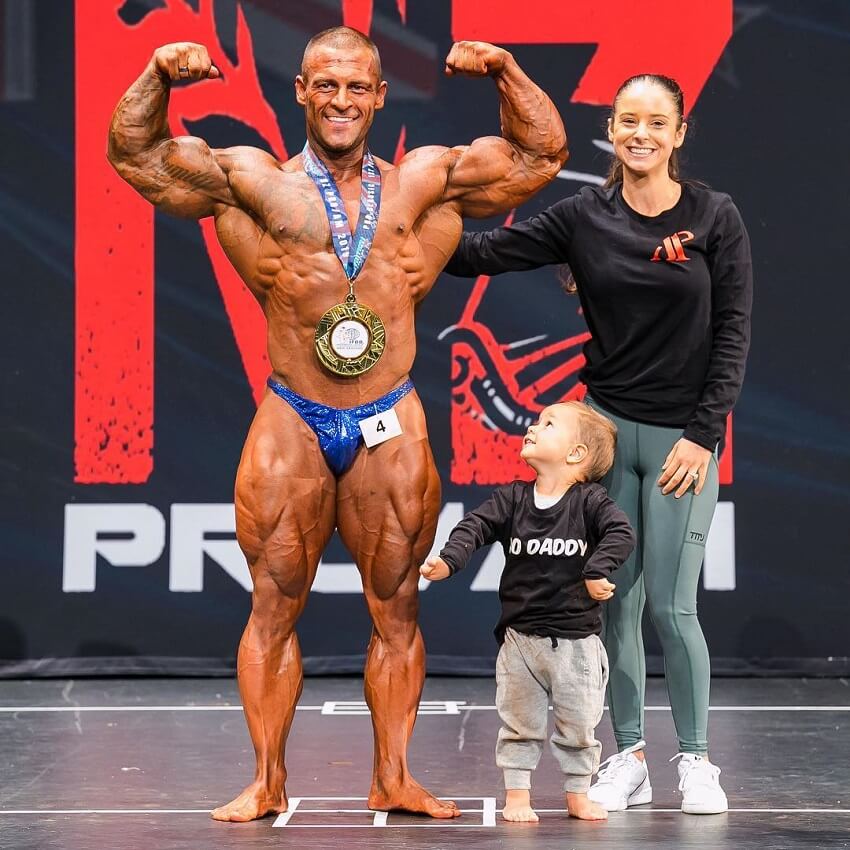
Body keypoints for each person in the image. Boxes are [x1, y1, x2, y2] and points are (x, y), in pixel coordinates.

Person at [107, 28, 567, 822]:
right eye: (326, 85)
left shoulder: (425, 180)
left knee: (396, 607)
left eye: (358, 87)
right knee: (274, 599)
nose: (342, 100)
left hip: (389, 412)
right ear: (301, 92)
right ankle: (266, 779)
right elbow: (137, 157)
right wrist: (155, 72)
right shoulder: (249, 179)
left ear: (381, 95)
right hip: (294, 412)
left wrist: (505, 68)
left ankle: (393, 774)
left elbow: (539, 156)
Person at [444, 74, 753, 815]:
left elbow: (733, 334)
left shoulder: (715, 216)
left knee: (673, 610)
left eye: (657, 122)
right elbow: (480, 254)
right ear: (612, 131)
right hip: (607, 436)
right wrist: (404, 211)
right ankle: (629, 755)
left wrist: (703, 436)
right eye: (627, 121)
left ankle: (698, 761)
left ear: (679, 134)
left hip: (683, 442)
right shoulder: (584, 215)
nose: (641, 133)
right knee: (612, 604)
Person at [420, 401, 635, 823]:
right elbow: (474, 526)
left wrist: (596, 570)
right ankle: (517, 795)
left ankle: (578, 792)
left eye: (548, 424)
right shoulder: (513, 498)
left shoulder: (590, 502)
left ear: (576, 455)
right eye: (537, 422)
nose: (533, 428)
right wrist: (450, 560)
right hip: (520, 640)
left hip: (577, 643)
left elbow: (620, 533)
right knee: (519, 723)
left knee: (579, 727)